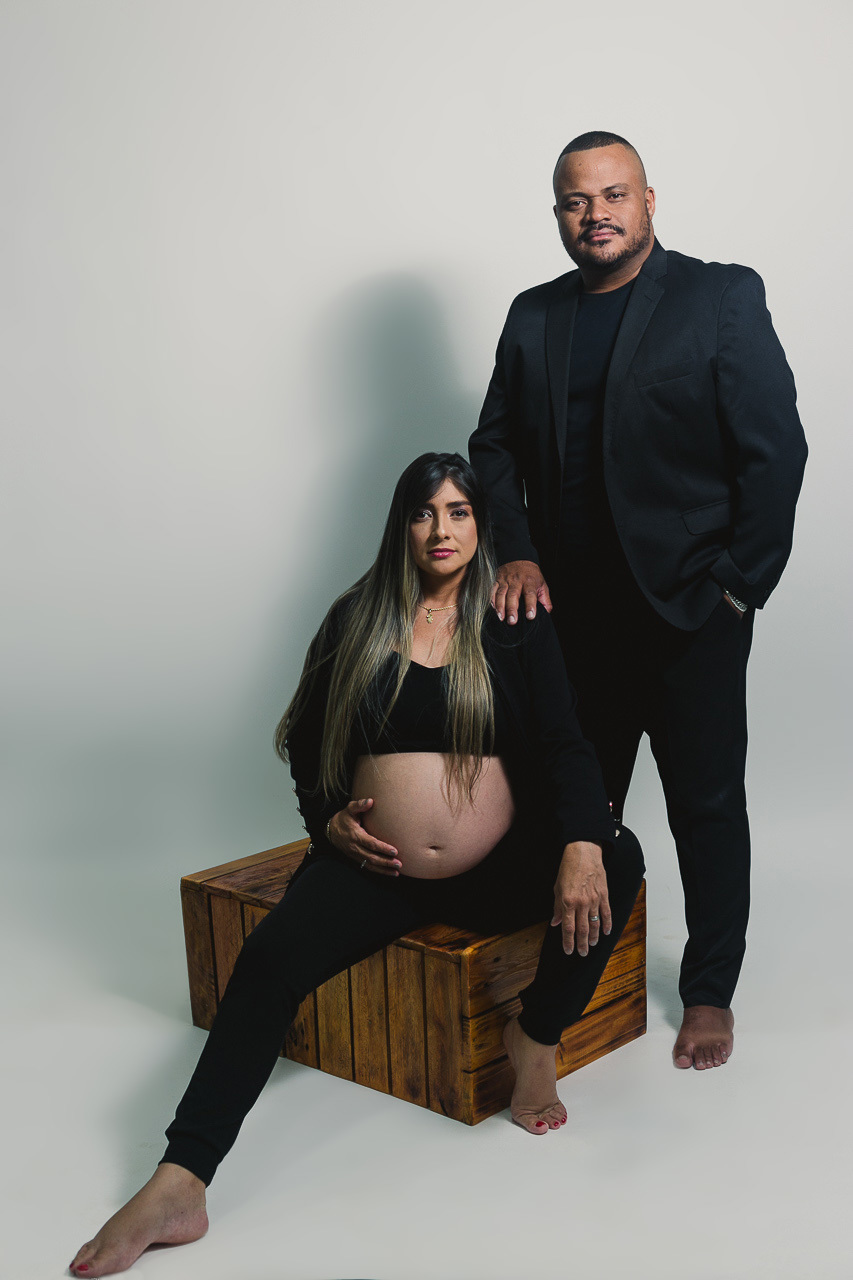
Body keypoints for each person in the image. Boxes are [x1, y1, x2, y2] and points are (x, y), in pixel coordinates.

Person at [69, 452, 644, 1277]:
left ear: (479, 526)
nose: (440, 529)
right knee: (267, 960)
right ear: (400, 526)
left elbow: (563, 743)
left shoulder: (509, 619)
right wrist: (328, 823)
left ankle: (533, 1037)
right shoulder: (357, 617)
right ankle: (181, 1178)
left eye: (458, 512)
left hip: (497, 869)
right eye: (423, 512)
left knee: (618, 857)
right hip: (380, 868)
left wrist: (582, 841)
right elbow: (305, 740)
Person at [469, 131, 807, 1073]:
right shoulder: (533, 315)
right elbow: (492, 446)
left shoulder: (718, 296)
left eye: (614, 194)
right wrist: (516, 552)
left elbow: (775, 449)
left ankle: (707, 990)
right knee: (576, 804)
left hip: (690, 610)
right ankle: (572, 987)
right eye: (576, 201)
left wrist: (737, 586)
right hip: (571, 622)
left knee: (705, 805)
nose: (596, 215)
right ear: (557, 214)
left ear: (649, 200)